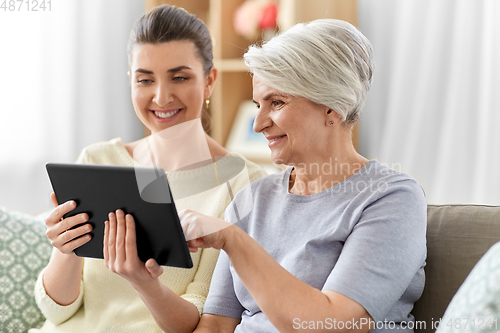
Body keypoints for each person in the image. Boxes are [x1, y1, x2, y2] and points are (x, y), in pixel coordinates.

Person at [179, 19, 427, 332]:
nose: (258, 125)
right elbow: (215, 326)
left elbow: (335, 324)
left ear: (332, 107)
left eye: (277, 102)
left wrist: (233, 240)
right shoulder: (252, 199)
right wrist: (142, 280)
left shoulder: (391, 198)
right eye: (258, 104)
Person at [30, 5, 266, 333]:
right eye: (145, 79)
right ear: (131, 81)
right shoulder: (97, 161)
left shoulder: (244, 185)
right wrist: (66, 250)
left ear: (210, 80)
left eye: (179, 77)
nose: (161, 96)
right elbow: (55, 312)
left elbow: (199, 325)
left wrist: (145, 284)